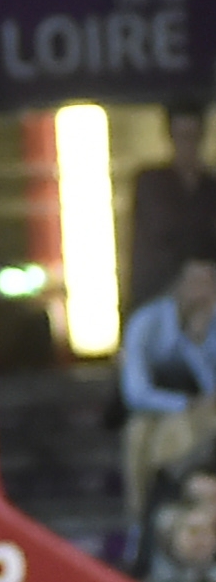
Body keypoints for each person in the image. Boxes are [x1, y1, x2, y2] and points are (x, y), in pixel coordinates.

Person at [120, 255, 216, 519]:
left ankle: (180, 509)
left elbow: (211, 388)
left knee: (182, 429)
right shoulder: (146, 323)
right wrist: (184, 404)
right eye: (195, 281)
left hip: (207, 411)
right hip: (159, 407)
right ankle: (142, 521)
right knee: (140, 433)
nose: (201, 290)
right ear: (178, 283)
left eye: (209, 282)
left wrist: (195, 343)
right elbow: (135, 392)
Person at [134, 106, 216, 306]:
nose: (188, 145)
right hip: (160, 296)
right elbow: (151, 241)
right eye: (183, 136)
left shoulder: (210, 188)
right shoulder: (152, 185)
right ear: (171, 137)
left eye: (193, 136)